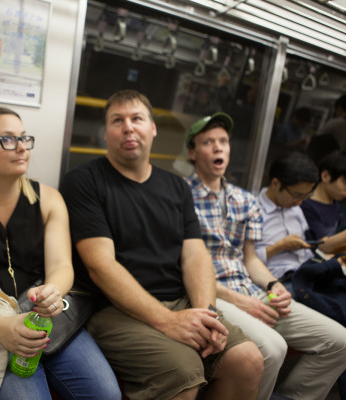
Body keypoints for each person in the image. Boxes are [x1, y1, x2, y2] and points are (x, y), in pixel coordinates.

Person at [60, 90, 263, 400]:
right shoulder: (84, 181)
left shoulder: (176, 187)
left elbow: (195, 254)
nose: (128, 127)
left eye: (137, 119)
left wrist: (205, 314)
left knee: (247, 359)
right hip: (114, 309)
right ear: (106, 133)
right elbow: (100, 265)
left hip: (179, 300)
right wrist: (168, 321)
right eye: (118, 120)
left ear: (152, 128)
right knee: (183, 372)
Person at [0, 106, 121, 400]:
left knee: (105, 395)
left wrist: (53, 292)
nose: (22, 147)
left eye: (25, 138)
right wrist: (1, 328)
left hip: (43, 316)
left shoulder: (49, 199)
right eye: (8, 139)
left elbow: (61, 265)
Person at [184, 113, 346, 400]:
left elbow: (250, 258)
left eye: (223, 141)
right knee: (273, 349)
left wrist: (272, 285)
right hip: (212, 293)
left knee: (342, 343)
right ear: (192, 152)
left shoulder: (245, 200)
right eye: (208, 142)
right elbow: (185, 267)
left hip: (252, 291)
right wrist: (241, 301)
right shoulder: (180, 195)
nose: (218, 148)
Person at [255, 151, 346, 400]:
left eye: (304, 196)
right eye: (296, 195)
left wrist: (319, 255)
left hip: (314, 272)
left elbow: (313, 248)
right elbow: (248, 260)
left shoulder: (296, 209)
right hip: (285, 281)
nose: (300, 203)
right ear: (276, 184)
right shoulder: (253, 209)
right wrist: (279, 247)